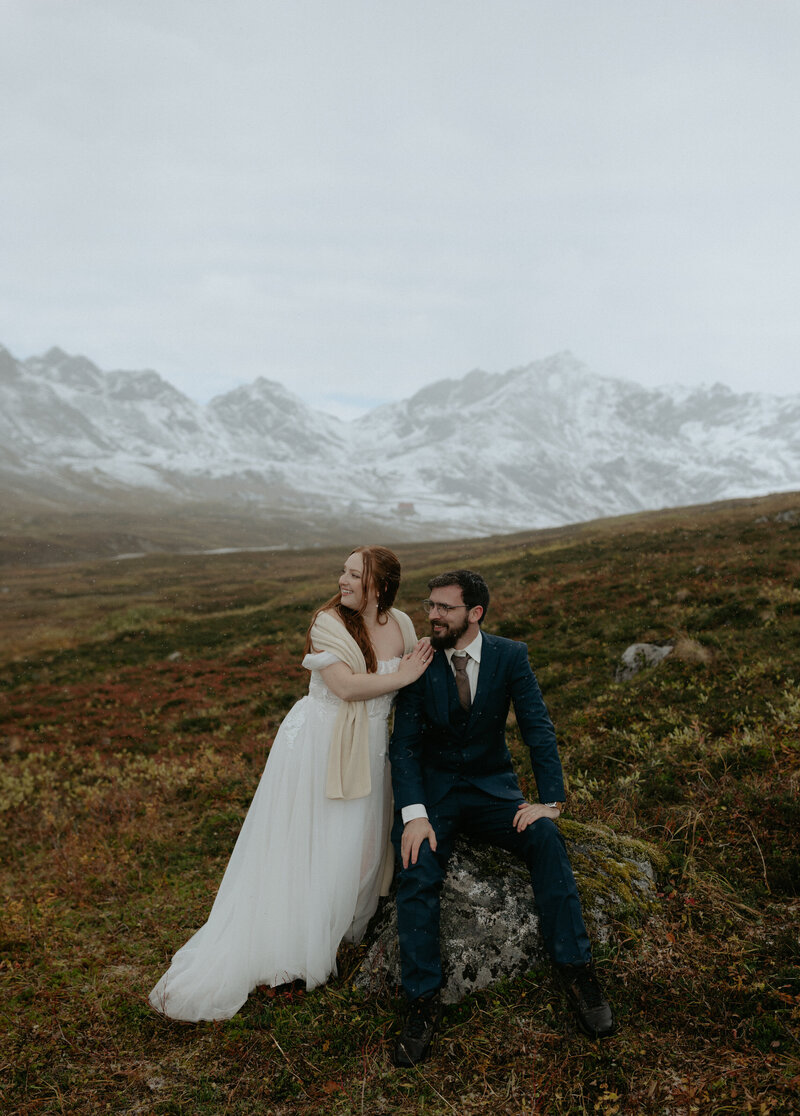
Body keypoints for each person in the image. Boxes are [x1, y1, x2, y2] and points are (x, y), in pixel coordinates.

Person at [149, 545, 432, 1021]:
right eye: (341, 571)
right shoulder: (329, 623)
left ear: (379, 587)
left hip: (369, 749)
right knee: (309, 841)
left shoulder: (401, 625)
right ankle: (292, 940)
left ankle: (337, 927)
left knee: (354, 844)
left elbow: (416, 678)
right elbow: (344, 687)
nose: (341, 581)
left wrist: (413, 679)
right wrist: (402, 675)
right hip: (319, 746)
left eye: (353, 574)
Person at [389, 568, 615, 1066]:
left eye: (444, 607)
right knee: (417, 870)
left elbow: (537, 727)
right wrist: (413, 815)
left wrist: (549, 801)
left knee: (546, 841)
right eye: (430, 605)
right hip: (435, 798)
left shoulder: (511, 655)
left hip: (493, 792)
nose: (432, 615)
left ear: (475, 613)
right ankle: (421, 1002)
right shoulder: (419, 661)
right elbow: (403, 746)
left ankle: (577, 971)